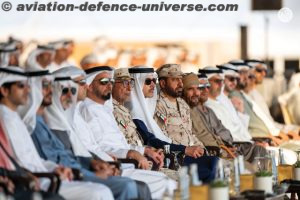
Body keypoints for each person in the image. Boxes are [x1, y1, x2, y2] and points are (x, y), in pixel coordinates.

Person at [0, 66, 115, 200]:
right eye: (21, 86)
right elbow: (19, 163)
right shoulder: (5, 120)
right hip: (35, 181)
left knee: (102, 191)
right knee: (99, 192)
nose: (28, 90)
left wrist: (55, 168)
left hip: (49, 175)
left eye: (27, 86)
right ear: (4, 90)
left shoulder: (15, 118)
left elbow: (34, 160)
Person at [78, 66, 176, 198]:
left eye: (110, 82)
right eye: (103, 82)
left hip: (127, 164)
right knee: (167, 184)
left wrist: (145, 151)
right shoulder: (87, 111)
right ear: (89, 86)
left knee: (168, 181)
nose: (109, 85)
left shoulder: (104, 109)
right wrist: (131, 153)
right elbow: (99, 147)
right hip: (116, 166)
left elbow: (120, 144)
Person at [154, 64, 218, 182]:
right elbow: (161, 140)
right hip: (177, 159)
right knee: (213, 166)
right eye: (175, 80)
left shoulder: (183, 104)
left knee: (217, 163)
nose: (180, 84)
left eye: (180, 79)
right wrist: (186, 149)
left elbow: (190, 133)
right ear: (162, 84)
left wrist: (202, 149)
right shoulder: (157, 106)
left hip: (192, 155)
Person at [197, 67, 267, 163]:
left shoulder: (220, 102)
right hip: (232, 146)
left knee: (263, 153)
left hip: (239, 144)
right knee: (261, 153)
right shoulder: (208, 105)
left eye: (221, 81)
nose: (221, 84)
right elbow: (222, 135)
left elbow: (237, 128)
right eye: (217, 81)